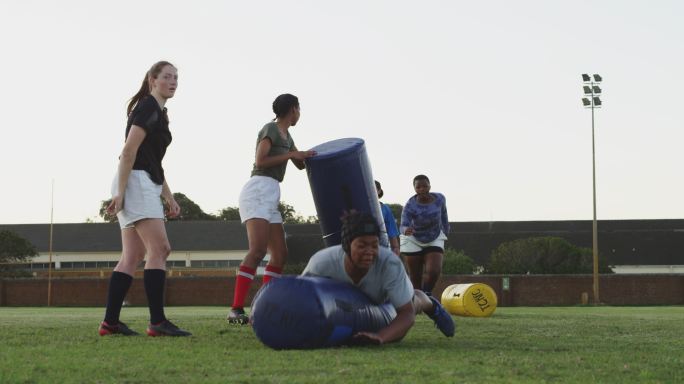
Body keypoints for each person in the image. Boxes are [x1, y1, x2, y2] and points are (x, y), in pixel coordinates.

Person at [100, 61, 191, 337]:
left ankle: (110, 323)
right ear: (152, 79)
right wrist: (121, 193)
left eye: (176, 77)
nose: (173, 81)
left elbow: (153, 161)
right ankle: (157, 322)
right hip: (135, 180)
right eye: (166, 76)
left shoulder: (159, 112)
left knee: (133, 255)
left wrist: (168, 197)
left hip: (142, 179)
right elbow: (129, 152)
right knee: (160, 249)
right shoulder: (148, 107)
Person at [227, 94, 316, 324]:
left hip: (272, 193)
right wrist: (291, 154)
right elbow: (260, 161)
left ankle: (264, 306)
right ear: (293, 109)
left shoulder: (287, 135)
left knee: (280, 254)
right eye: (299, 109)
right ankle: (236, 309)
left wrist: (311, 156)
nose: (300, 114)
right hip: (257, 190)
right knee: (257, 250)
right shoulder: (271, 129)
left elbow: (299, 164)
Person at [302, 211, 454, 344]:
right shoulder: (322, 263)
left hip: (384, 299)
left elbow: (407, 313)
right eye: (362, 245)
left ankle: (431, 304)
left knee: (414, 301)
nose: (369, 251)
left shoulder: (389, 264)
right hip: (347, 304)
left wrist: (381, 336)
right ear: (347, 246)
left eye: (374, 245)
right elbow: (301, 295)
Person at [399, 174, 450, 298]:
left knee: (434, 271)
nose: (422, 189)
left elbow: (443, 214)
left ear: (429, 186)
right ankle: (417, 301)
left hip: (434, 236)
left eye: (424, 186)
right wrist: (406, 230)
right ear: (414, 189)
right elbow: (403, 224)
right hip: (413, 238)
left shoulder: (440, 198)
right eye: (418, 187)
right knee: (415, 276)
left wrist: (446, 229)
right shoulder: (410, 205)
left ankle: (427, 294)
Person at [374, 180, 400, 256]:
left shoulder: (385, 208)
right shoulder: (357, 206)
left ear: (379, 191)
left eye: (374, 189)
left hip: (382, 247)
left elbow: (391, 230)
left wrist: (395, 248)